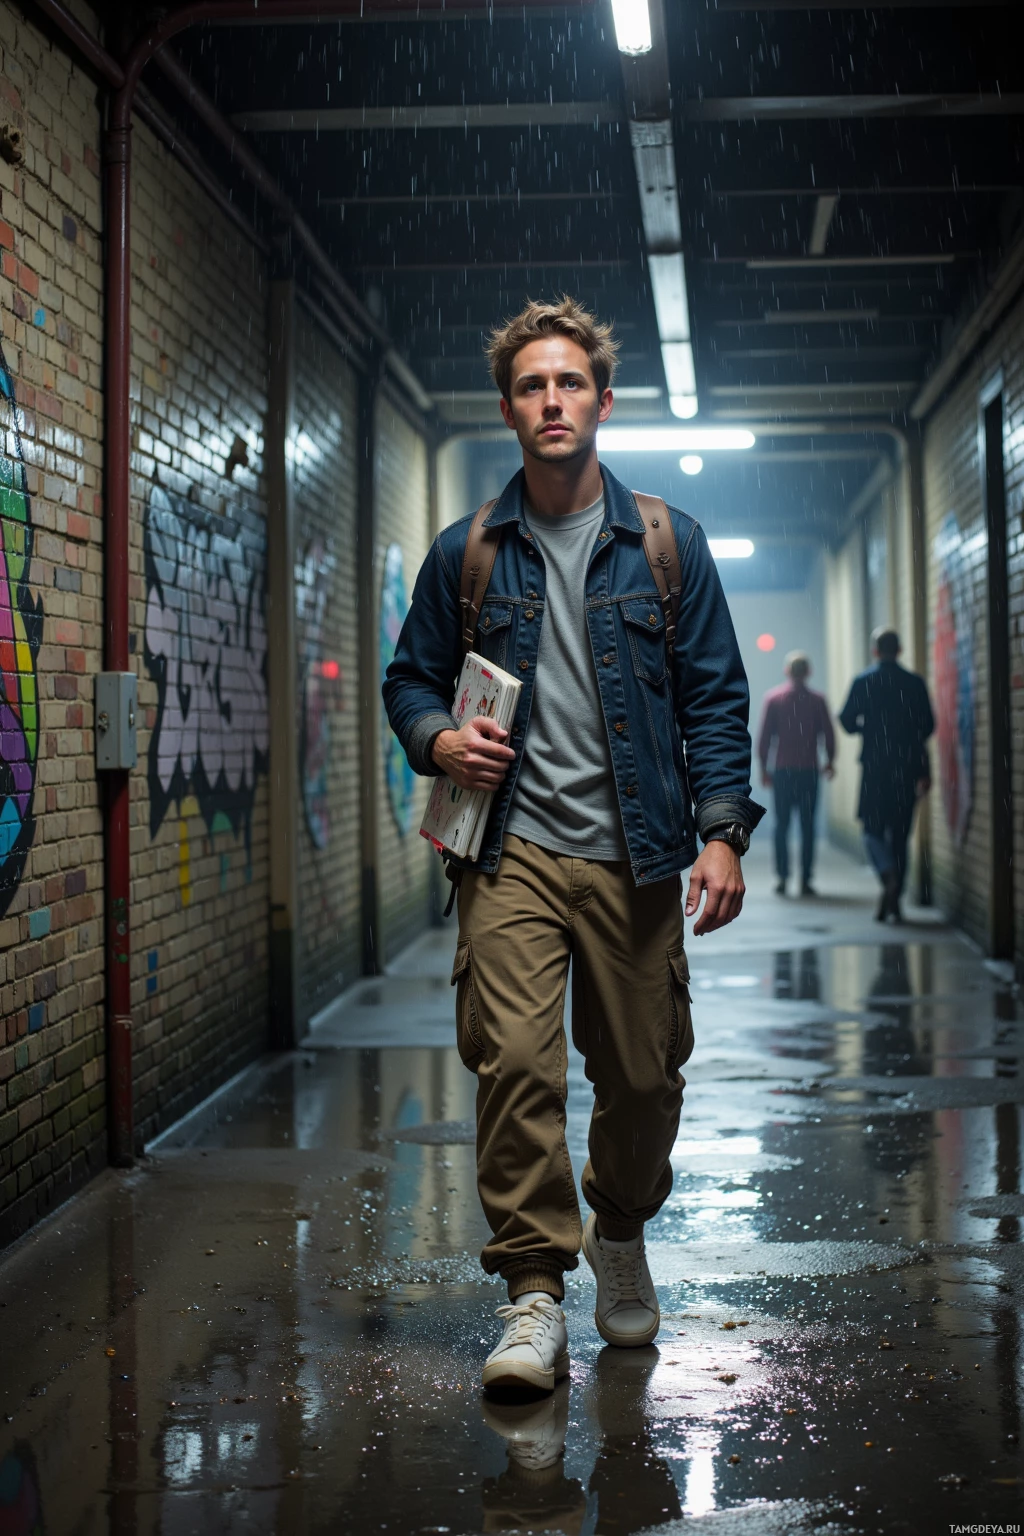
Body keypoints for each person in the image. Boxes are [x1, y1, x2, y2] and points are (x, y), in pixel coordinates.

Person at [383, 296, 763, 1395]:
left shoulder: (663, 544)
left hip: (637, 854)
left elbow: (713, 698)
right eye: (532, 386)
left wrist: (722, 833)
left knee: (642, 1074)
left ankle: (623, 1230)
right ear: (508, 409)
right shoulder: (467, 553)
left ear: (601, 400)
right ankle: (534, 1294)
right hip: (507, 853)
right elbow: (408, 678)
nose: (553, 401)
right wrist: (438, 737)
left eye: (571, 383)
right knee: (513, 1067)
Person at [839, 627, 934, 922]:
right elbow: (928, 726)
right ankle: (896, 897)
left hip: (875, 767)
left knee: (871, 830)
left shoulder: (864, 681)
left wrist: (866, 726)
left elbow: (846, 720)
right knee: (900, 834)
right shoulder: (914, 683)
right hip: (907, 767)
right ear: (901, 650)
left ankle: (886, 876)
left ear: (875, 651)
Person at [756, 651, 835, 897]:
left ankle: (782, 876)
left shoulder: (774, 699)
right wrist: (830, 761)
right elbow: (828, 735)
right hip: (808, 770)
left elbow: (764, 738)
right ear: (808, 672)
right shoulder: (817, 701)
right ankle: (806, 879)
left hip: (783, 771)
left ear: (787, 671)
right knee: (808, 825)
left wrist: (763, 769)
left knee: (781, 825)